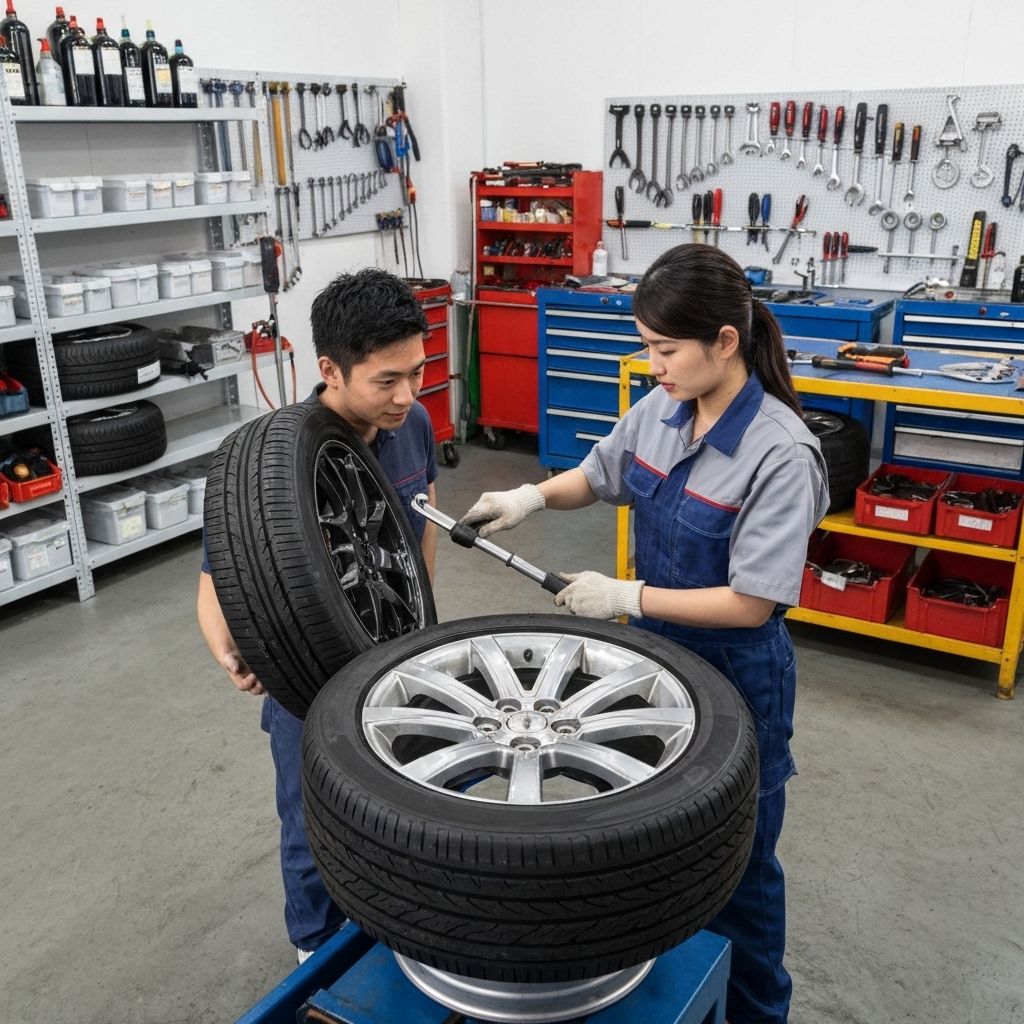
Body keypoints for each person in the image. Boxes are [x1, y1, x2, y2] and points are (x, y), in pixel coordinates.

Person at [460, 244, 829, 1024]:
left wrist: (625, 593)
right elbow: (597, 475)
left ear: (725, 342)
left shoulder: (781, 453)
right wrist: (528, 495)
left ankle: (758, 1012)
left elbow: (752, 604)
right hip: (652, 665)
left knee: (738, 869)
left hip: (738, 679)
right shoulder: (661, 409)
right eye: (646, 344)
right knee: (654, 845)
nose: (650, 362)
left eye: (665, 348)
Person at [197, 268, 438, 963]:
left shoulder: (414, 424)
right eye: (386, 380)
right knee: (313, 827)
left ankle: (397, 931)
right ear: (329, 368)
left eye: (416, 374)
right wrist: (228, 651)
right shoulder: (271, 464)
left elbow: (413, 536)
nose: (407, 396)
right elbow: (215, 580)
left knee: (403, 810)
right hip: (307, 681)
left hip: (397, 664)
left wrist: (420, 624)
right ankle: (315, 954)